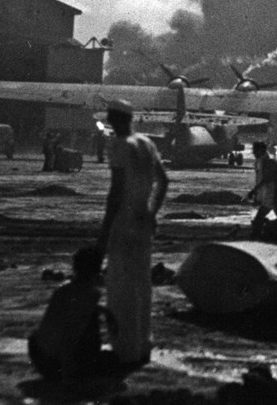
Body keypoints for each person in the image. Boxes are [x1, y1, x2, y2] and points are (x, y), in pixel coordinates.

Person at [97, 99, 168, 370]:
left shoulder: (118, 146)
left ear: (113, 119)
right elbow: (163, 181)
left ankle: (124, 350)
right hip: (142, 221)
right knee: (141, 286)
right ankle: (142, 345)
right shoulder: (147, 144)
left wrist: (104, 231)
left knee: (120, 287)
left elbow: (115, 193)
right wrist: (151, 212)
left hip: (122, 222)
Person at [28, 246, 120, 381]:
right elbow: (73, 330)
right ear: (97, 270)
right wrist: (67, 365)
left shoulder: (63, 289)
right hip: (58, 363)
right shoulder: (91, 294)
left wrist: (104, 310)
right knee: (112, 360)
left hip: (40, 356)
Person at [248, 141, 277, 238]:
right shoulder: (259, 162)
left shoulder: (269, 162)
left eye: (255, 151)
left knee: (260, 217)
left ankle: (255, 236)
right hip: (267, 194)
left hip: (271, 194)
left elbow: (273, 180)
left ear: (261, 150)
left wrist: (255, 191)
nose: (253, 153)